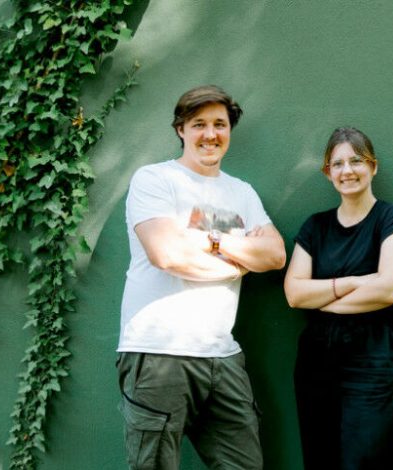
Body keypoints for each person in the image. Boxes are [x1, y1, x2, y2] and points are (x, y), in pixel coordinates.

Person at [116, 85, 286, 470]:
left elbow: (274, 255)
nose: (210, 134)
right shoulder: (155, 180)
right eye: (199, 124)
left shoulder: (242, 193)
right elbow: (168, 253)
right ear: (181, 129)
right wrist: (239, 261)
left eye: (219, 124)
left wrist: (208, 239)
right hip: (158, 352)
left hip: (221, 356)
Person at [284, 127, 393, 469]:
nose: (347, 170)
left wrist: (322, 296)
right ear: (327, 173)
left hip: (377, 362)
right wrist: (357, 282)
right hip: (318, 363)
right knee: (321, 457)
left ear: (373, 167)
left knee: (368, 461)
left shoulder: (392, 219)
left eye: (356, 161)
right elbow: (294, 293)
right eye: (338, 163)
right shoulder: (315, 227)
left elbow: (389, 289)